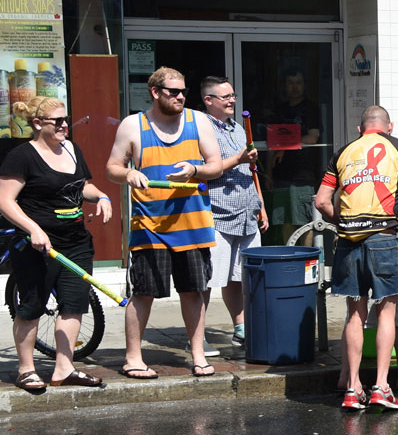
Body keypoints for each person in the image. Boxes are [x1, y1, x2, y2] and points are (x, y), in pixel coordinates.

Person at [106, 67, 223, 379]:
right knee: (143, 292)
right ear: (156, 93)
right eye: (173, 92)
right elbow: (112, 167)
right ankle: (133, 358)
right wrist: (128, 174)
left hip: (193, 222)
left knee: (194, 291)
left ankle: (198, 355)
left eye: (183, 91)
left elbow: (216, 166)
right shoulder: (133, 125)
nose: (181, 96)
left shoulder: (199, 121)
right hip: (149, 224)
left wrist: (195, 170)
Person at [315, 105, 398, 411]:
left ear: (359, 130)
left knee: (355, 313)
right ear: (389, 126)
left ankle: (352, 388)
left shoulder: (343, 152)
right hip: (385, 237)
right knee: (386, 312)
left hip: (348, 241)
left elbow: (322, 201)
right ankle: (381, 386)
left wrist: (344, 223)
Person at [0, 96, 112, 390]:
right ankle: (26, 369)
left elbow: (83, 185)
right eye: (58, 121)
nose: (66, 125)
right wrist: (33, 229)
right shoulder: (22, 156)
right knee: (32, 307)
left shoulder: (72, 150)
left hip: (76, 241)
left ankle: (64, 368)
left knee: (74, 305)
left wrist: (102, 196)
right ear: (37, 124)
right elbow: (5, 201)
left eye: (66, 120)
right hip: (37, 245)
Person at [201, 76, 268, 345]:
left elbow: (251, 170)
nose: (231, 100)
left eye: (233, 96)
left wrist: (260, 203)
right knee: (207, 278)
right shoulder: (201, 130)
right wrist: (237, 159)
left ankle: (240, 327)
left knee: (240, 276)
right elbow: (203, 171)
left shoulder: (238, 129)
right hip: (216, 213)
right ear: (209, 100)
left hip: (246, 212)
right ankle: (197, 336)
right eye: (225, 96)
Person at [267, 67, 323, 239]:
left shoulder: (311, 108)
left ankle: (307, 263)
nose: (294, 87)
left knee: (305, 222)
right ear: (284, 86)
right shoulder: (279, 110)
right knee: (284, 221)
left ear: (305, 85)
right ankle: (289, 258)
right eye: (290, 83)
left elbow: (312, 138)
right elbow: (271, 144)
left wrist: (285, 146)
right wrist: (268, 174)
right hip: (281, 175)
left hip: (303, 175)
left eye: (298, 83)